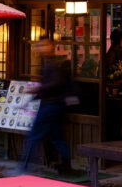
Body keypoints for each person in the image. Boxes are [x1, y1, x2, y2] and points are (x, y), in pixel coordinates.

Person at [16, 40, 78, 176]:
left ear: (50, 47)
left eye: (43, 45)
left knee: (34, 135)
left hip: (51, 105)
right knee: (57, 136)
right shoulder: (49, 64)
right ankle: (66, 165)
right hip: (54, 105)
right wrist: (29, 100)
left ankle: (24, 167)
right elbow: (48, 87)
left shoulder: (53, 64)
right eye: (39, 46)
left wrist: (38, 89)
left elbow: (56, 84)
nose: (40, 48)